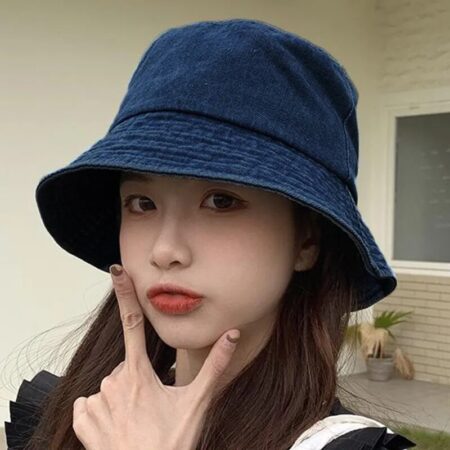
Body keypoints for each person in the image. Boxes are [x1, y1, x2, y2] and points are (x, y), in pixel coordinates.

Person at [4, 18, 416, 450]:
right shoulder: (76, 417)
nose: (165, 250)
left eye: (220, 201)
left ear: (306, 241)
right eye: (142, 203)